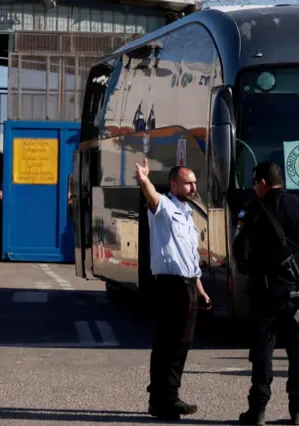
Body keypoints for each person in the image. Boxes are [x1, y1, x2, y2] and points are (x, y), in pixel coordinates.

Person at [233, 161, 299, 425]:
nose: (255, 187)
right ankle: (297, 410)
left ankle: (258, 410)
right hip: (298, 293)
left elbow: (239, 252)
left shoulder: (254, 210)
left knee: (263, 350)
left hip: (264, 292)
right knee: (297, 349)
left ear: (264, 182)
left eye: (256, 182)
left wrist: (252, 269)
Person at [134, 158, 212, 421]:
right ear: (174, 184)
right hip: (172, 286)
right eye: (188, 183)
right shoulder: (164, 207)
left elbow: (189, 259)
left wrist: (200, 288)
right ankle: (168, 397)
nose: (193, 188)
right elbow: (153, 199)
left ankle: (161, 398)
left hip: (187, 285)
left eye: (194, 183)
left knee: (177, 342)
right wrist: (144, 180)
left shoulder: (187, 214)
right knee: (173, 343)